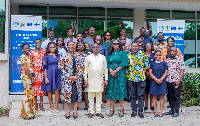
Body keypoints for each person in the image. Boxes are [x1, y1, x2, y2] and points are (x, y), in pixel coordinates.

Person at [58, 41, 84, 119]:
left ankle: (75, 111)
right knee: (67, 95)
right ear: (67, 46)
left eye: (73, 45)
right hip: (67, 79)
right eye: (70, 45)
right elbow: (60, 67)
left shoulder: (78, 55)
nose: (71, 46)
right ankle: (67, 111)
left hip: (77, 79)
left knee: (77, 95)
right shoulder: (63, 55)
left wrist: (78, 76)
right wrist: (68, 76)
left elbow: (82, 66)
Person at [84, 43, 108, 118]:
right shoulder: (88, 57)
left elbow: (105, 69)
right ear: (92, 48)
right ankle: (91, 111)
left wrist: (106, 79)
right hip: (90, 79)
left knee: (99, 96)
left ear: (99, 48)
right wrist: (85, 79)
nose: (95, 48)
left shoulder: (103, 57)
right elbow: (85, 69)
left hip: (99, 79)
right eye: (94, 47)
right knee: (90, 96)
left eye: (97, 47)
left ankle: (98, 111)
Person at [106, 39, 129, 117]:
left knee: (120, 90)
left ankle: (122, 109)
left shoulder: (122, 52)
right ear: (112, 45)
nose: (115, 45)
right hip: (111, 73)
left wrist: (115, 71)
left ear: (119, 45)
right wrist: (111, 71)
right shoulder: (110, 53)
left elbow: (124, 62)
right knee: (111, 90)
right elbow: (108, 63)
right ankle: (112, 109)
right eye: (114, 43)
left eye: (117, 43)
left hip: (120, 73)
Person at [127, 42, 149, 118]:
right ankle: (133, 111)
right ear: (131, 47)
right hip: (131, 79)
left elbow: (147, 65)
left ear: (138, 47)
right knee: (132, 96)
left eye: (136, 46)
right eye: (133, 46)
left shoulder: (143, 55)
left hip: (141, 78)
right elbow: (126, 67)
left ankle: (140, 111)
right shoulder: (128, 56)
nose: (134, 47)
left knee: (141, 96)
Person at [164, 46, 185, 117]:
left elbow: (182, 71)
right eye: (171, 51)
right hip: (169, 81)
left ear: (176, 52)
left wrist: (179, 80)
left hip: (176, 81)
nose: (172, 52)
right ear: (169, 52)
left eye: (174, 51)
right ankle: (172, 110)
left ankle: (176, 111)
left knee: (176, 96)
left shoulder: (180, 60)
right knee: (170, 97)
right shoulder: (167, 60)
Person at [41, 42, 61, 112]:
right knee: (49, 90)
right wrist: (46, 78)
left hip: (58, 74)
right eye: (51, 47)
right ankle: (51, 104)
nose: (53, 48)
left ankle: (56, 105)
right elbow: (44, 67)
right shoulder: (46, 56)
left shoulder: (59, 55)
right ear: (48, 48)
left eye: (54, 47)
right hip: (49, 74)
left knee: (57, 90)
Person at [149, 51, 168, 117]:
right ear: (154, 56)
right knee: (154, 96)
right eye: (156, 55)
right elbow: (150, 72)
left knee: (162, 96)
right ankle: (155, 111)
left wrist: (161, 79)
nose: (158, 56)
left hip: (162, 81)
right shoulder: (152, 63)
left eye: (159, 55)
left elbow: (166, 72)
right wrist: (156, 79)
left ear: (161, 56)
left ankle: (161, 112)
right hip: (154, 81)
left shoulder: (164, 63)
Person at [29, 39, 46, 112]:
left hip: (42, 72)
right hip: (35, 73)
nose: (37, 44)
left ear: (41, 43)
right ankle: (35, 104)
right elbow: (30, 62)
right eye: (36, 43)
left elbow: (45, 61)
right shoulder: (31, 52)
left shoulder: (43, 51)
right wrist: (31, 73)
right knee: (35, 89)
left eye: (39, 42)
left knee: (41, 89)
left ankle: (41, 104)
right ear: (34, 44)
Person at [20, 43, 35, 119]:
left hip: (30, 77)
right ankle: (26, 114)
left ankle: (30, 112)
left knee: (30, 94)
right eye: (25, 48)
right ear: (23, 49)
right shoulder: (22, 57)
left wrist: (33, 76)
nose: (27, 49)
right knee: (26, 94)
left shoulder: (28, 56)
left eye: (28, 48)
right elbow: (26, 69)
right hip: (26, 77)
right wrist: (32, 77)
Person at [76, 41, 89, 110]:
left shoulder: (88, 54)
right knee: (77, 89)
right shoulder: (75, 54)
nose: (81, 46)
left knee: (86, 90)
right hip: (77, 74)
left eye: (82, 45)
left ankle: (87, 105)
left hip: (86, 74)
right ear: (77, 47)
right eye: (79, 45)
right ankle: (76, 105)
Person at [143, 42, 154, 111]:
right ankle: (146, 104)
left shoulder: (154, 55)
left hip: (153, 75)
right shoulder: (142, 55)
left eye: (150, 46)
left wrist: (151, 73)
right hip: (144, 74)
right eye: (147, 46)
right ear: (145, 47)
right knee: (145, 91)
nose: (148, 47)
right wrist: (146, 72)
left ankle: (151, 105)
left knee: (152, 90)